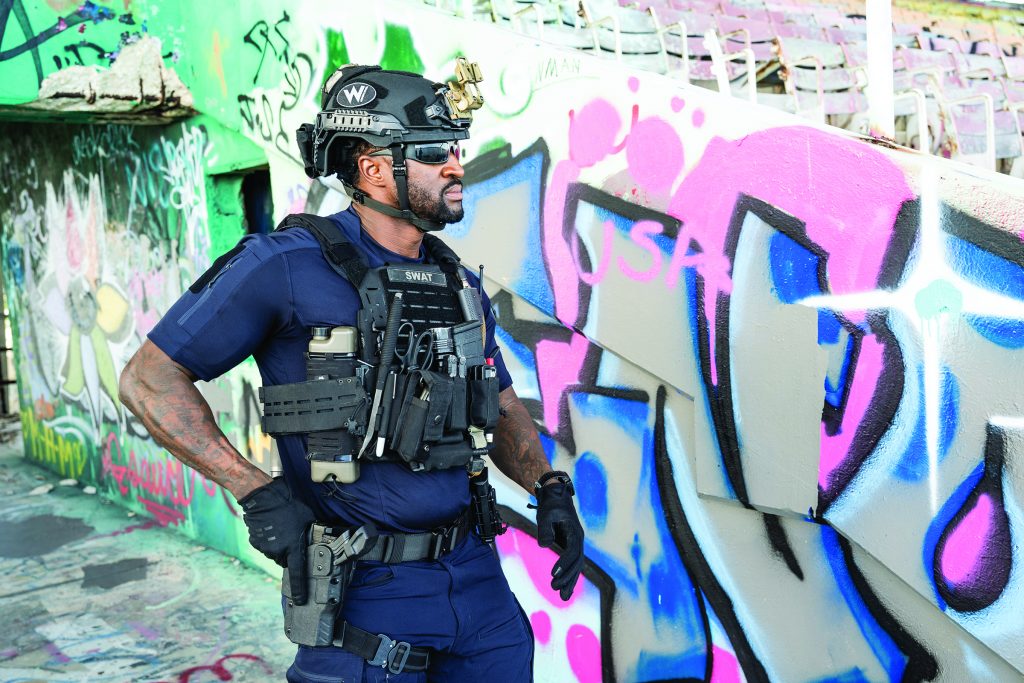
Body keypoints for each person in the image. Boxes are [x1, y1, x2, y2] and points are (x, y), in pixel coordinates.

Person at [118, 60, 585, 682]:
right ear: (372, 167)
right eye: (434, 151)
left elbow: (497, 405)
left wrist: (548, 487)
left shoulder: (456, 281)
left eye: (454, 149)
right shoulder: (282, 264)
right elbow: (148, 379)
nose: (455, 166)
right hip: (363, 590)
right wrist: (254, 490)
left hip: (478, 587)